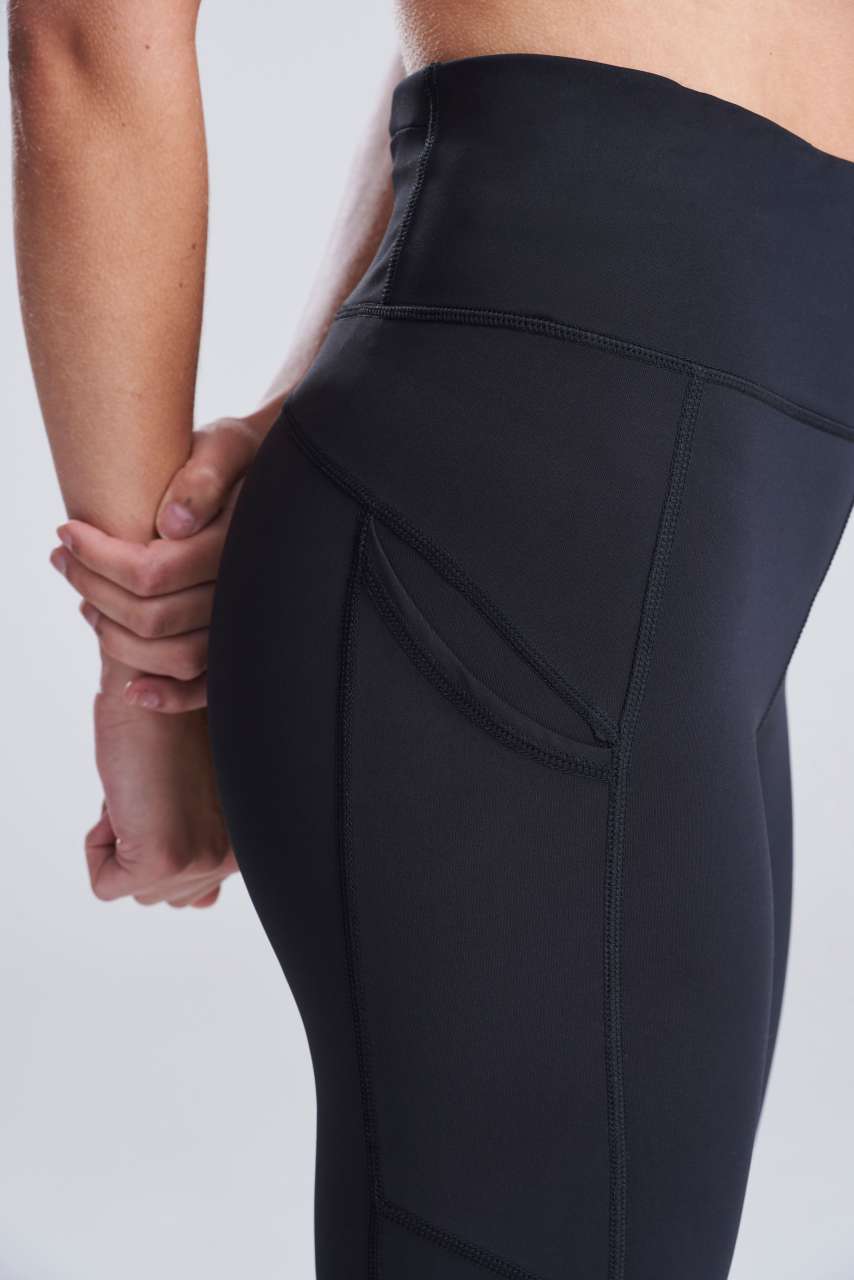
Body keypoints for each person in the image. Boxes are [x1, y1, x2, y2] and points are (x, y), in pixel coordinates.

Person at [10, 3, 854, 1277]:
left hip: (707, 558)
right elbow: (84, 37)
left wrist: (290, 399)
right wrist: (149, 672)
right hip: (512, 539)